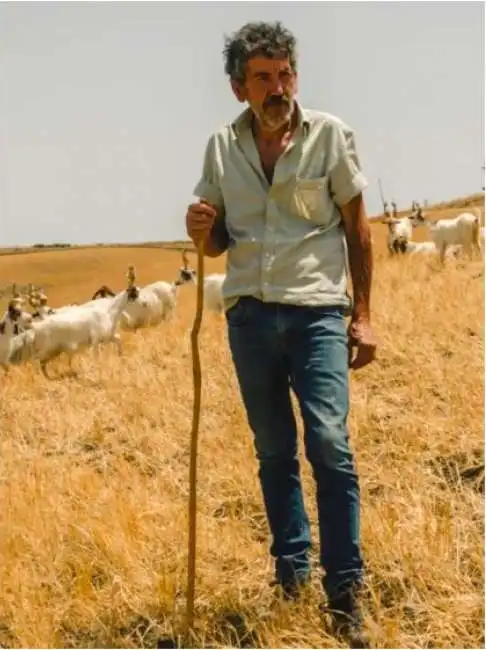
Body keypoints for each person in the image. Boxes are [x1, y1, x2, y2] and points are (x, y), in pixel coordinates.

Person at [184, 20, 376, 647]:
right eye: (262, 77)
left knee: (329, 442)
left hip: (317, 310)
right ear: (239, 87)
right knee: (273, 450)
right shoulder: (220, 146)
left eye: (285, 73)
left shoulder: (330, 137)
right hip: (249, 315)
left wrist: (363, 315)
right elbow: (216, 242)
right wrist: (200, 226)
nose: (277, 87)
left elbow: (358, 228)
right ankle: (291, 574)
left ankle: (345, 588)